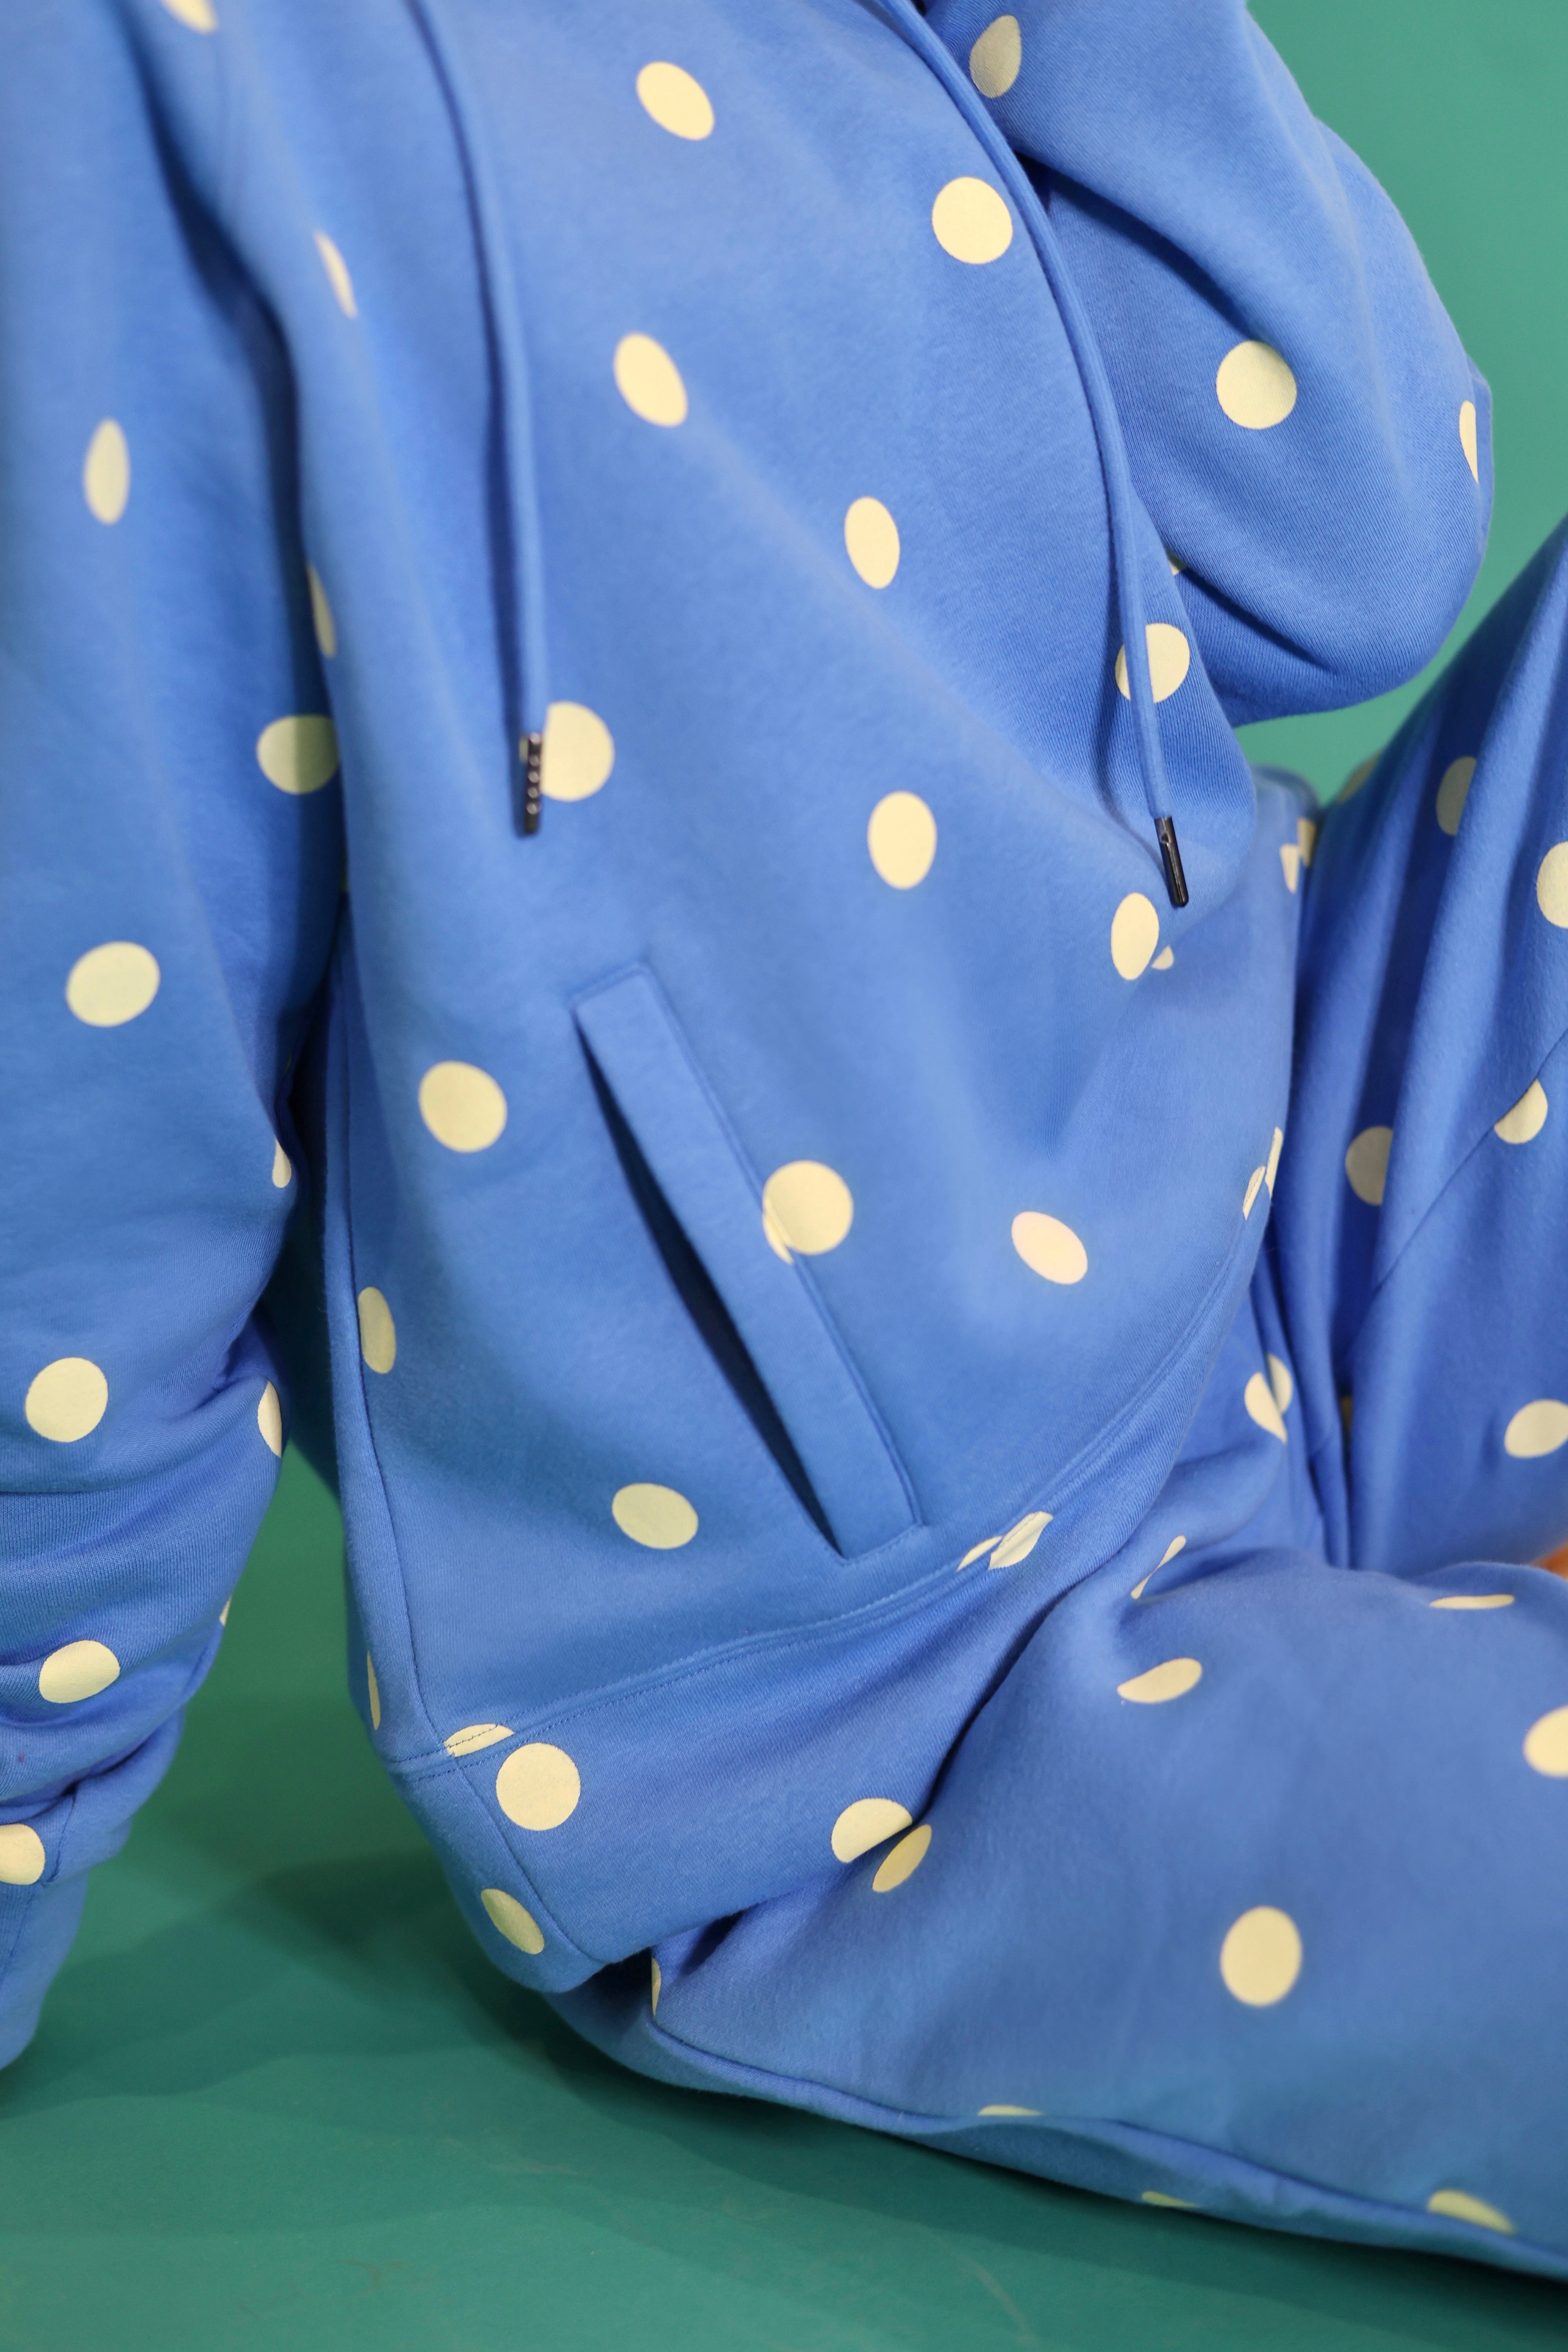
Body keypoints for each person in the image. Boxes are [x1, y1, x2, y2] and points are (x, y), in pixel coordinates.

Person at [5, 0, 1563, 2277]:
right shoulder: (113, 82)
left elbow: (1350, 538)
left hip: (1327, 1089)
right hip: (925, 1710)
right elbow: (75, 1085)